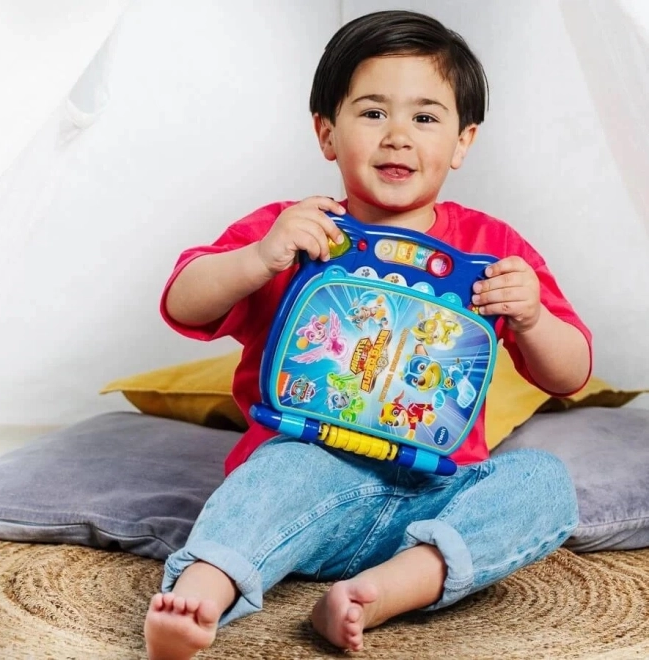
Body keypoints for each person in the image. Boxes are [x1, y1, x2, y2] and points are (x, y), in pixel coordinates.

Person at [144, 9, 592, 659]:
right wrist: (258, 259)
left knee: (543, 482)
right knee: (277, 473)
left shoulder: (495, 249)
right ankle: (201, 594)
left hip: (436, 495)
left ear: (463, 142)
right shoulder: (296, 228)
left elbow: (570, 373)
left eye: (426, 118)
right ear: (327, 133)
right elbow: (183, 302)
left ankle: (383, 591)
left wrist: (533, 317)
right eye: (374, 112)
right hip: (310, 474)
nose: (398, 137)